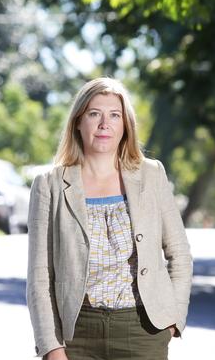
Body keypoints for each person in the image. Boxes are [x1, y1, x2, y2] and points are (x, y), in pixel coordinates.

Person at [27, 77, 193, 360]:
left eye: (114, 115)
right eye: (94, 114)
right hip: (76, 335)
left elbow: (179, 254)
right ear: (78, 122)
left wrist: (173, 320)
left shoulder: (151, 175)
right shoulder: (49, 185)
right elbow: (39, 276)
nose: (105, 124)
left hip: (143, 330)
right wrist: (51, 346)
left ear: (125, 125)